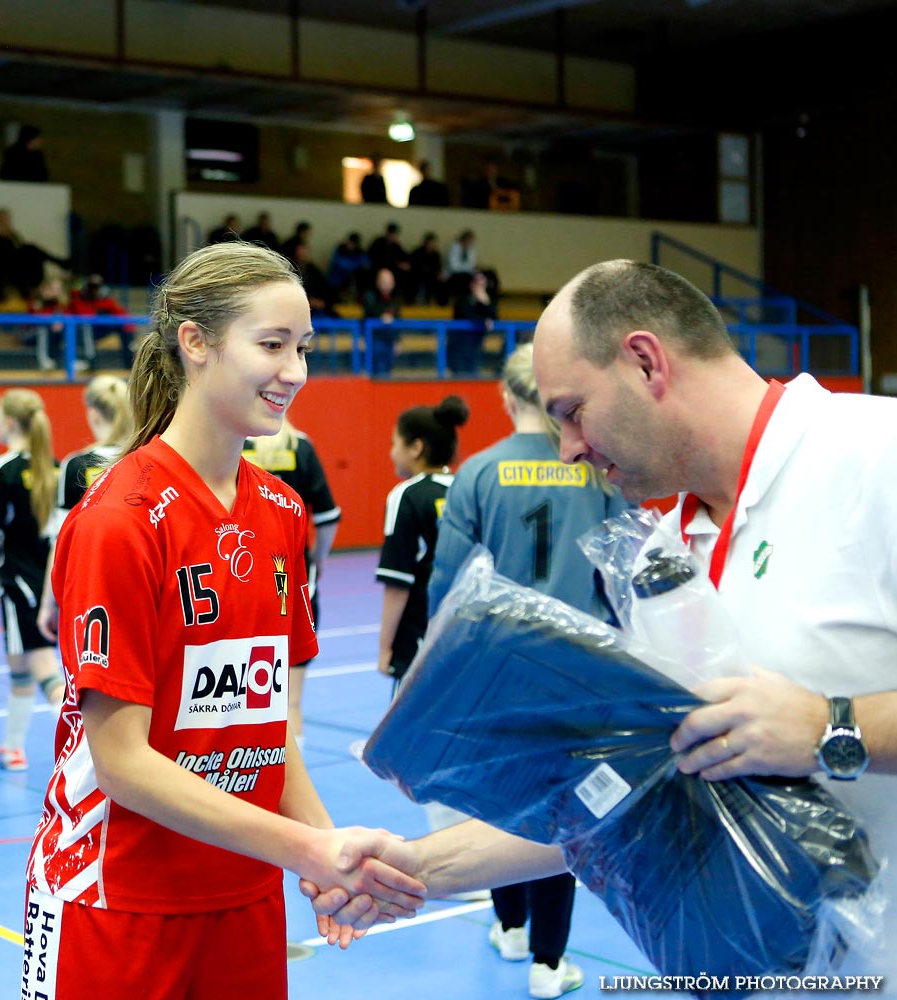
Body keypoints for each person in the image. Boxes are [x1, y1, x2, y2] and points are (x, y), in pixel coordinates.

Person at [349, 260, 897, 983]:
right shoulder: (654, 552)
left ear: (645, 362)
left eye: (573, 411)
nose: (569, 446)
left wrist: (832, 728)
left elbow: (815, 733)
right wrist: (421, 865)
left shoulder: (875, 458)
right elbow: (630, 795)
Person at [23, 242, 427, 998]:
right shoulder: (120, 518)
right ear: (196, 342)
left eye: (303, 348)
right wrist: (307, 847)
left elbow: (263, 719)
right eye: (272, 345)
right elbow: (121, 762)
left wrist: (326, 848)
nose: (295, 372)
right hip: (114, 900)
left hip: (243, 898)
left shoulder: (281, 512)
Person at [426, 343, 627, 998]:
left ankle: (508, 928)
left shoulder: (478, 474)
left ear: (504, 398)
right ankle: (548, 963)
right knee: (558, 818)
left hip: (495, 671)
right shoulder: (596, 473)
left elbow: (448, 587)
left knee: (500, 805)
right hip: (575, 671)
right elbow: (623, 574)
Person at [0, 390, 64, 771]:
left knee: (40, 665)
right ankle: (13, 748)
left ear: (8, 422)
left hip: (19, 583)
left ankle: (82, 741)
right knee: (19, 666)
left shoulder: (1, 469)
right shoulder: (53, 467)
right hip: (49, 582)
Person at [243, 420, 341, 749]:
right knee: (290, 703)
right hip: (290, 581)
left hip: (241, 577)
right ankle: (285, 792)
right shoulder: (301, 447)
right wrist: (319, 559)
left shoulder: (237, 446)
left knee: (238, 704)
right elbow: (327, 516)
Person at [375, 396, 468, 686]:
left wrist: (385, 647)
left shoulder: (407, 495)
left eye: (395, 443)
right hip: (465, 633)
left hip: (419, 637)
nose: (391, 453)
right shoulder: (466, 488)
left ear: (416, 448)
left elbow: (397, 582)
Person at [36, 375, 132, 643]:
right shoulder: (145, 455)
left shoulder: (76, 465)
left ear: (93, 413)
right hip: (142, 581)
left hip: (93, 588)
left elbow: (61, 542)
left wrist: (48, 604)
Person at [450, 271, 498, 376]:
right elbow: (467, 315)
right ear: (471, 284)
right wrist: (483, 320)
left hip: (475, 345)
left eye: (483, 284)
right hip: (459, 346)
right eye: (478, 284)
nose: (480, 287)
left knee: (473, 374)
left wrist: (485, 302)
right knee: (460, 376)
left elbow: (494, 316)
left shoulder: (484, 301)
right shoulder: (462, 300)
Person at [364, 267, 403, 377]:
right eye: (383, 281)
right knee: (379, 372)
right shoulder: (370, 297)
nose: (386, 284)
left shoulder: (396, 298)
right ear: (378, 282)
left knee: (388, 372)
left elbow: (398, 320)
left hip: (390, 341)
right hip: (375, 340)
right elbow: (368, 316)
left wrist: (397, 341)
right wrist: (381, 317)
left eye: (389, 282)